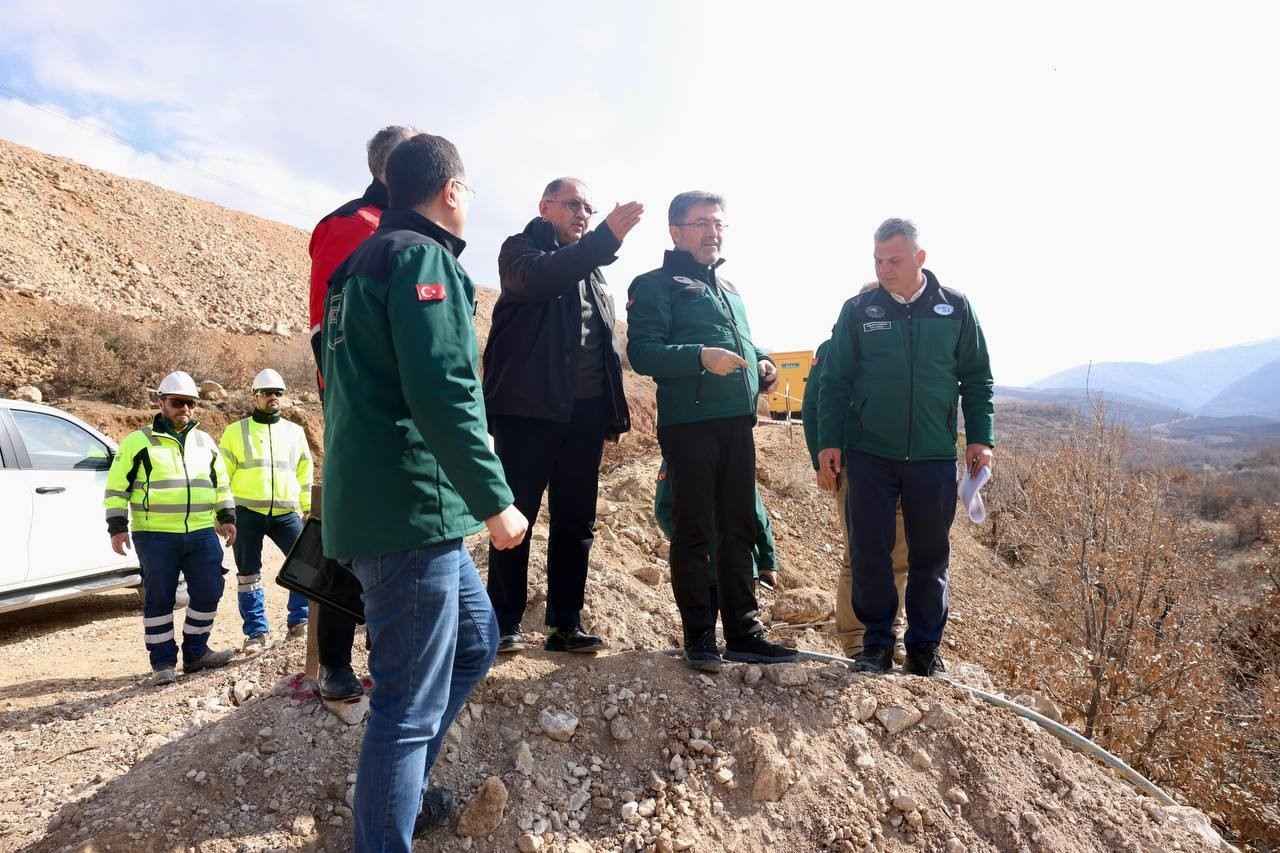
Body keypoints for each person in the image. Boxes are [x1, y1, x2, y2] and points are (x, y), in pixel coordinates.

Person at [321, 132, 528, 851]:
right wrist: (495, 497)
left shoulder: (352, 268)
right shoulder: (422, 256)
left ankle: (395, 802)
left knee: (477, 640)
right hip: (409, 511)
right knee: (405, 705)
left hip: (374, 503)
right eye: (469, 190)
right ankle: (384, 830)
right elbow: (443, 390)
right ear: (451, 191)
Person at [626, 190, 797, 672]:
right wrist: (700, 357)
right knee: (695, 527)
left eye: (719, 223)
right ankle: (699, 635)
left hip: (737, 424)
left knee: (739, 524)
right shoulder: (655, 284)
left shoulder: (730, 289)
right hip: (690, 423)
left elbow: (740, 339)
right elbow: (643, 352)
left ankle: (744, 632)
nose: (713, 231)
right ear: (676, 232)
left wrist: (762, 360)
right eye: (701, 223)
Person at [816, 218, 994, 678]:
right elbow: (834, 382)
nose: (884, 269)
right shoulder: (859, 310)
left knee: (929, 558)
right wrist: (829, 442)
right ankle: (874, 645)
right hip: (869, 453)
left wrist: (980, 437)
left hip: (933, 455)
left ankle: (923, 649)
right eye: (877, 260)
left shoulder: (954, 308)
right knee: (870, 552)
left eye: (894, 260)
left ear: (920, 258)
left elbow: (977, 380)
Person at [482, 177, 641, 654]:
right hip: (528, 414)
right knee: (517, 517)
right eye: (573, 204)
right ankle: (503, 624)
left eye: (589, 209)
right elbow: (544, 276)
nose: (582, 213)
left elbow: (603, 349)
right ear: (545, 206)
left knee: (576, 521)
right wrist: (605, 238)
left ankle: (564, 625)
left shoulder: (593, 272)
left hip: (584, 418)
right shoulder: (521, 251)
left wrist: (610, 413)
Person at [306, 125, 418, 702]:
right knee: (350, 535)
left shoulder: (414, 234)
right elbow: (328, 327)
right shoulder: (350, 227)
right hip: (360, 414)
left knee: (399, 537)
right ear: (389, 167)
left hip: (406, 416)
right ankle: (333, 661)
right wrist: (346, 409)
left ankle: (389, 650)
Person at [104, 370, 237, 685]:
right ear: (162, 402)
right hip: (155, 534)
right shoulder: (138, 442)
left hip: (201, 532)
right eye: (178, 402)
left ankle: (196, 653)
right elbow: (115, 487)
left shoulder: (205, 442)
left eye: (190, 403)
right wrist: (117, 526)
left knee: (209, 589)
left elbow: (221, 485)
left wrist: (228, 516)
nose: (185, 409)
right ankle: (163, 663)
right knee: (160, 597)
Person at [802, 335, 908, 660]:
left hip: (904, 464)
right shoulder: (833, 348)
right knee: (858, 554)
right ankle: (856, 639)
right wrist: (819, 461)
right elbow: (813, 405)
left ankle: (895, 633)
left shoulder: (903, 341)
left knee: (901, 557)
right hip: (851, 465)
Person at [219, 368, 314, 652]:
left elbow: (304, 474)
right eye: (267, 393)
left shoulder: (295, 433)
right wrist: (221, 514)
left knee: (306, 564)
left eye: (278, 393)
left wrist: (309, 510)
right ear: (254, 397)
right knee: (248, 573)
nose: (273, 397)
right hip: (246, 513)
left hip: (286, 513)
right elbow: (221, 476)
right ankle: (256, 633)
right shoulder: (235, 432)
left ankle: (300, 621)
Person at [653, 458, 778, 590]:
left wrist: (768, 561)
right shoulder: (732, 450)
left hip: (734, 565)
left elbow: (755, 511)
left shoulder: (678, 450)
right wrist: (692, 546)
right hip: (710, 568)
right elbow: (664, 511)